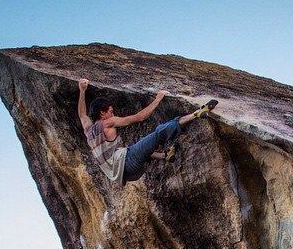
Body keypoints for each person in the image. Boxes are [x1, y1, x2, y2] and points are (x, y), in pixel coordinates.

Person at [78, 78, 217, 183]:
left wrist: (82, 90)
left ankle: (165, 156)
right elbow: (140, 117)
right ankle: (195, 114)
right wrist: (157, 99)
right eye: (111, 111)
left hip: (125, 175)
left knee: (139, 148)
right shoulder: (108, 122)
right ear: (102, 113)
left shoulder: (88, 131)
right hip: (129, 162)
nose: (113, 114)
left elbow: (82, 114)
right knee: (158, 134)